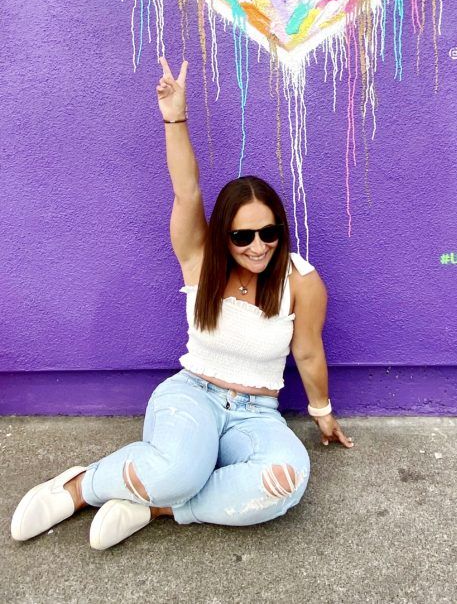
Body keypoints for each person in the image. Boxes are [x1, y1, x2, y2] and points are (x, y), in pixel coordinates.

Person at [11, 55, 353, 550]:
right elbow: (186, 191)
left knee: (285, 481)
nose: (258, 246)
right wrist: (176, 117)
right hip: (193, 396)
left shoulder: (301, 280)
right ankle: (80, 487)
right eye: (242, 235)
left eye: (269, 232)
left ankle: (156, 505)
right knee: (177, 470)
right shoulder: (200, 260)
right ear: (223, 235)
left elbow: (307, 351)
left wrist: (322, 410)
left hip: (255, 414)